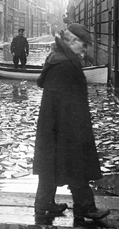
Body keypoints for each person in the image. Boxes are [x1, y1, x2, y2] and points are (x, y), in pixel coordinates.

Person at [33, 23, 110, 221]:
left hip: (53, 125)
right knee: (77, 164)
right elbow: (69, 102)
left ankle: (44, 205)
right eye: (83, 47)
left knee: (49, 166)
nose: (84, 52)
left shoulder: (58, 59)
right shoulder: (66, 64)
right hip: (68, 125)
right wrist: (78, 131)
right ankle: (85, 207)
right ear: (73, 41)